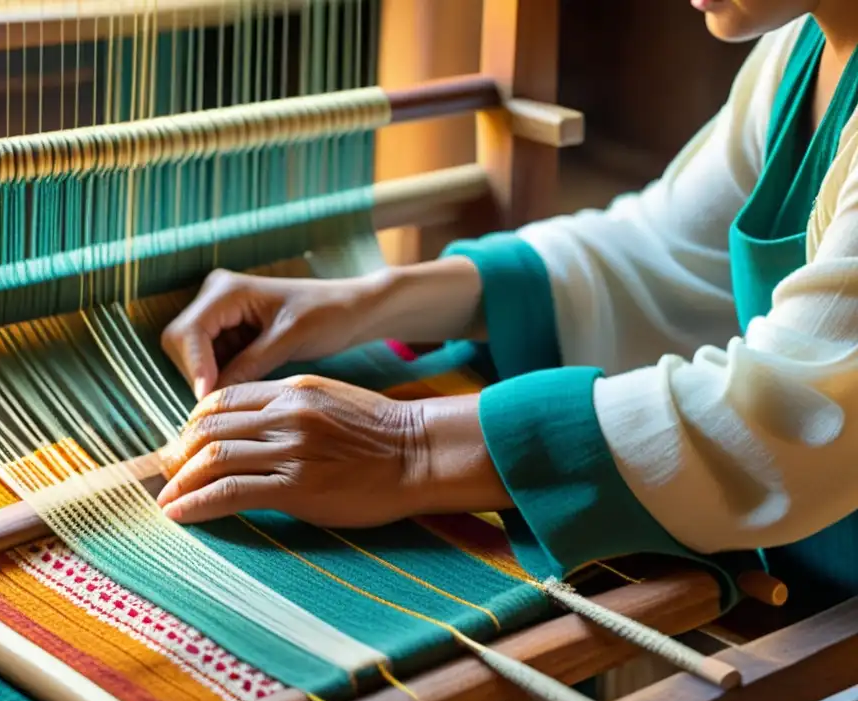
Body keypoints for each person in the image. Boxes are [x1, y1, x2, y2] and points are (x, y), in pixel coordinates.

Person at [158, 0, 858, 612]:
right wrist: (366, 299)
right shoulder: (803, 44)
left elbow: (796, 412)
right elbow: (663, 252)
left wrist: (407, 445)